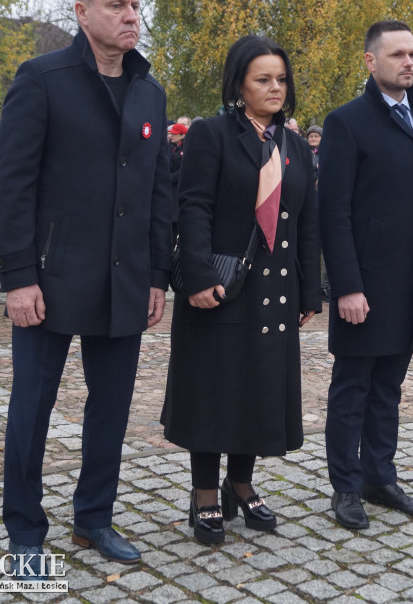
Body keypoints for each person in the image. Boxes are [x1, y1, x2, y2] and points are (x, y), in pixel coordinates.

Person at [0, 0, 172, 577]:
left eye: (136, 5)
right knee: (32, 406)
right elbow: (12, 186)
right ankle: (24, 527)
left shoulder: (149, 90)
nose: (130, 16)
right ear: (81, 13)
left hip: (124, 279)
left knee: (112, 407)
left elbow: (157, 191)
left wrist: (156, 275)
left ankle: (94, 515)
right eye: (117, 4)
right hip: (49, 276)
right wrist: (17, 276)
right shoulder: (43, 79)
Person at [161, 35, 321, 544]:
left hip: (274, 290)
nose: (275, 88)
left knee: (257, 385)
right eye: (262, 79)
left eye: (281, 79)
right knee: (214, 389)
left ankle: (241, 482)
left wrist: (309, 290)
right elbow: (193, 208)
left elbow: (305, 221)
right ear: (239, 84)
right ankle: (205, 492)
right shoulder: (211, 134)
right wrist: (200, 276)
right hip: (222, 284)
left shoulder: (294, 145)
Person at [318, 20, 413, 529]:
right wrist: (347, 286)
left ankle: (380, 476)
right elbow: (333, 212)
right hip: (367, 284)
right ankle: (346, 487)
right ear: (370, 61)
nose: (409, 63)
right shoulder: (347, 122)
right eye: (398, 54)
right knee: (353, 387)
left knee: (389, 387)